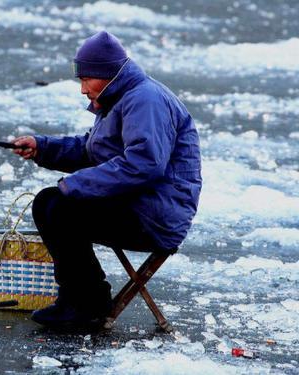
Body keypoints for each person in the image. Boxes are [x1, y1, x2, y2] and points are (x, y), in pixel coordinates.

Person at [12, 31, 202, 330]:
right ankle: (78, 298)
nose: (83, 89)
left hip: (155, 216)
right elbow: (92, 150)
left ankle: (87, 305)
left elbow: (144, 164)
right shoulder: (119, 98)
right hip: (136, 204)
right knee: (50, 202)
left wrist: (75, 185)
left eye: (87, 79)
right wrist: (42, 146)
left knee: (60, 207)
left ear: (108, 74)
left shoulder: (145, 100)